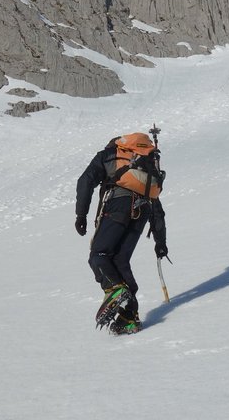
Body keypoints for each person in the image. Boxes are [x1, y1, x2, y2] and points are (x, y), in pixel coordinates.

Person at [75, 131, 168, 335]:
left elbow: (85, 181)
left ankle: (115, 289)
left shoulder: (108, 155)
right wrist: (160, 241)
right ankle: (129, 318)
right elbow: (157, 207)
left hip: (118, 205)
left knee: (98, 255)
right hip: (142, 211)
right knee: (119, 261)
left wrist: (80, 215)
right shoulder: (146, 167)